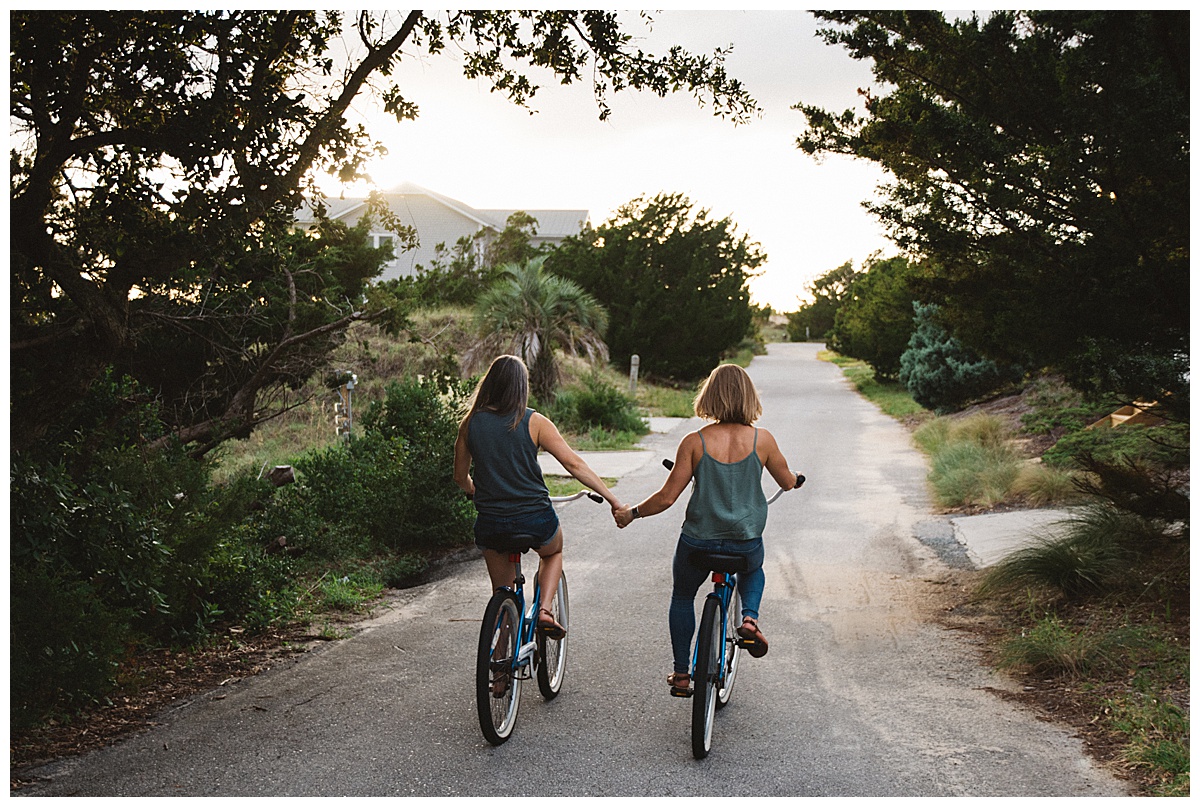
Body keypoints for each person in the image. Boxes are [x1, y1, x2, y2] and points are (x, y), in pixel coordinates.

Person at [615, 363, 802, 696]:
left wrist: (632, 513)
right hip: (743, 544)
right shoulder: (764, 441)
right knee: (754, 568)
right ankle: (749, 619)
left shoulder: (693, 443)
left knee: (683, 597)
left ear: (709, 395)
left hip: (698, 544)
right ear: (749, 398)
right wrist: (794, 480)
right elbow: (786, 481)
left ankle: (682, 674)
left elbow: (667, 497)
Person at [454, 354, 625, 638]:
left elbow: (460, 477)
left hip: (492, 522)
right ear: (521, 387)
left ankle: (498, 675)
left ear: (490, 384)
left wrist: (473, 490)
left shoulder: (470, 423)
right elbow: (574, 464)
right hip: (534, 518)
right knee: (553, 550)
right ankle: (545, 610)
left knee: (503, 594)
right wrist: (613, 500)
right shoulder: (533, 421)